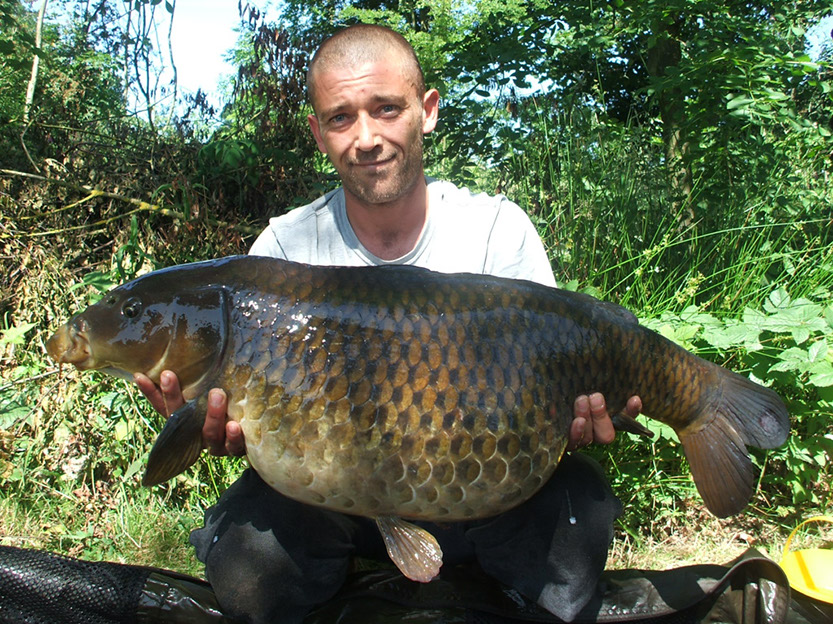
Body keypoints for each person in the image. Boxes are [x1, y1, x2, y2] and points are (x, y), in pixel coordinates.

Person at [136, 24, 642, 624]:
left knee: (576, 511)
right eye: (341, 118)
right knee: (247, 559)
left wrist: (572, 416)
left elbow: (558, 372)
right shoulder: (283, 250)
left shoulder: (495, 232)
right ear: (318, 133)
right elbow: (249, 424)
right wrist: (212, 428)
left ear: (426, 112)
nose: (367, 138)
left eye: (386, 110)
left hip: (485, 493)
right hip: (335, 502)